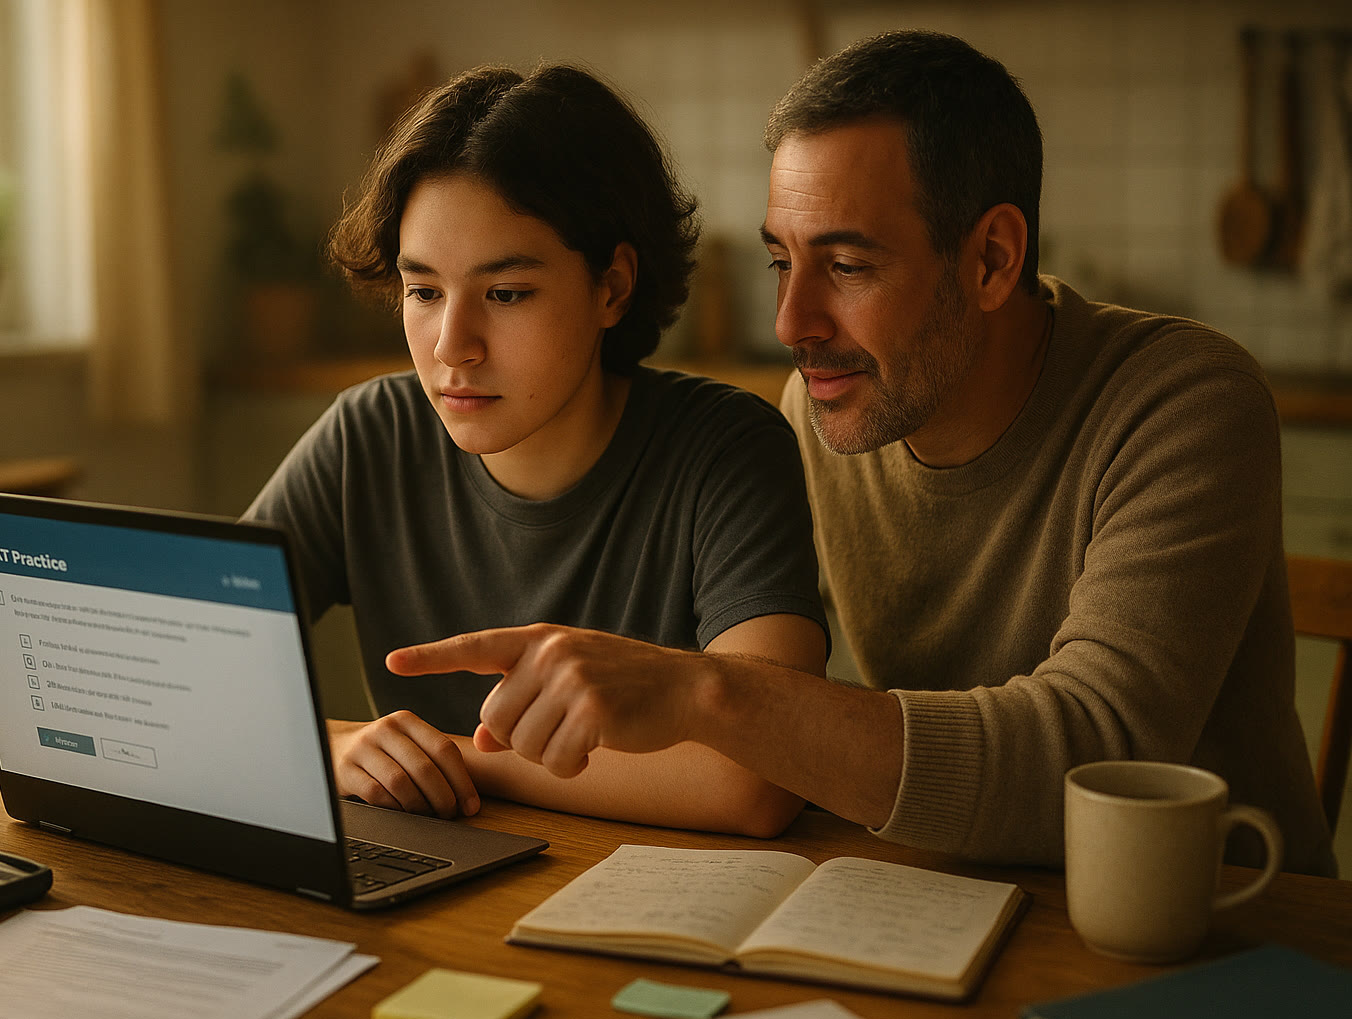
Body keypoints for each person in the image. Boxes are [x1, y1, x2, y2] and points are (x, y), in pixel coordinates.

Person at [388, 31, 1339, 877]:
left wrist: (708, 693)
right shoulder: (824, 407)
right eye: (780, 260)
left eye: (846, 267)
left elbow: (1095, 758)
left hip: (1222, 930)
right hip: (939, 898)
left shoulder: (1183, 400)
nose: (792, 323)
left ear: (993, 261)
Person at [245, 64, 829, 837]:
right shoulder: (369, 435)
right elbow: (184, 665)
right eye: (423, 291)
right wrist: (339, 748)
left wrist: (447, 761)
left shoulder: (726, 450)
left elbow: (759, 777)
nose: (453, 346)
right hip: (427, 894)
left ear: (612, 288)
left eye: (506, 294)